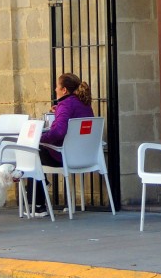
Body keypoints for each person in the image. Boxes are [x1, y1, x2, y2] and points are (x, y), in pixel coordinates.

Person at [30, 72, 93, 215]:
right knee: (37, 151)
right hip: (85, 156)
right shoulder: (84, 104)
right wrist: (58, 111)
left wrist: (39, 138)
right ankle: (42, 190)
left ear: (64, 90)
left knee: (33, 151)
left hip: (66, 157)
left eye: (57, 87)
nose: (55, 89)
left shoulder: (65, 104)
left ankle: (38, 205)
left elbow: (59, 132)